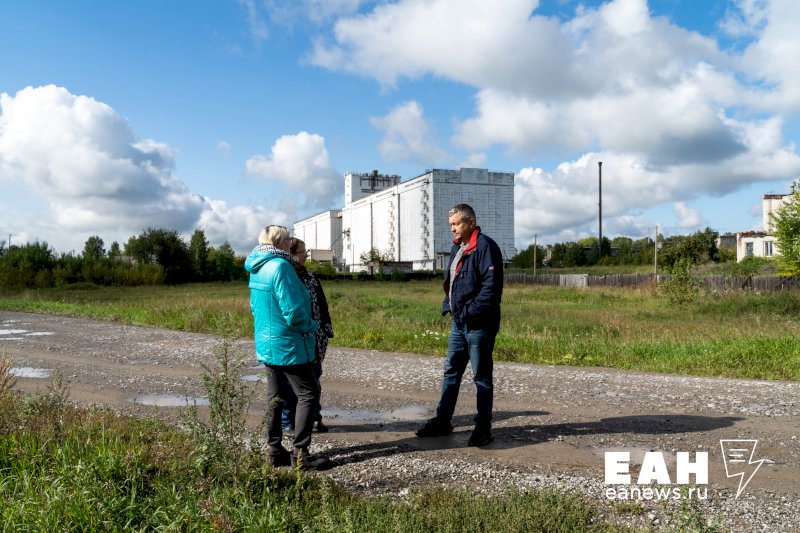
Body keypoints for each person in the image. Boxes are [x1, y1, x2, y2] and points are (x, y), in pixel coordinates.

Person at [416, 203, 504, 447]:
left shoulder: (485, 247)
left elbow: (491, 290)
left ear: (471, 222)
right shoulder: (458, 248)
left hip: (479, 325)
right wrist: (449, 305)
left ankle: (483, 428)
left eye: (456, 224)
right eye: (451, 225)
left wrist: (467, 312)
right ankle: (443, 421)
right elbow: (452, 283)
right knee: (451, 372)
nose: (452, 229)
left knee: (481, 377)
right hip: (459, 323)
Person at [244, 225, 330, 470]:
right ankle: (301, 454)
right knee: (308, 393)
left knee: (275, 396)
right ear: (281, 243)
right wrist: (312, 325)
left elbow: (254, 307)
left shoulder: (257, 267)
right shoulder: (281, 267)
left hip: (267, 343)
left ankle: (274, 450)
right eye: (288, 240)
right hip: (289, 344)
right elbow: (293, 312)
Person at [281, 237, 334, 433]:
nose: (305, 255)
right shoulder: (285, 277)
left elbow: (322, 304)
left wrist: (326, 326)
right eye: (301, 251)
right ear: (290, 254)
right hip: (295, 339)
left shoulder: (311, 277)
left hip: (315, 338)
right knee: (291, 383)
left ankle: (313, 417)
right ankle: (287, 421)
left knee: (314, 380)